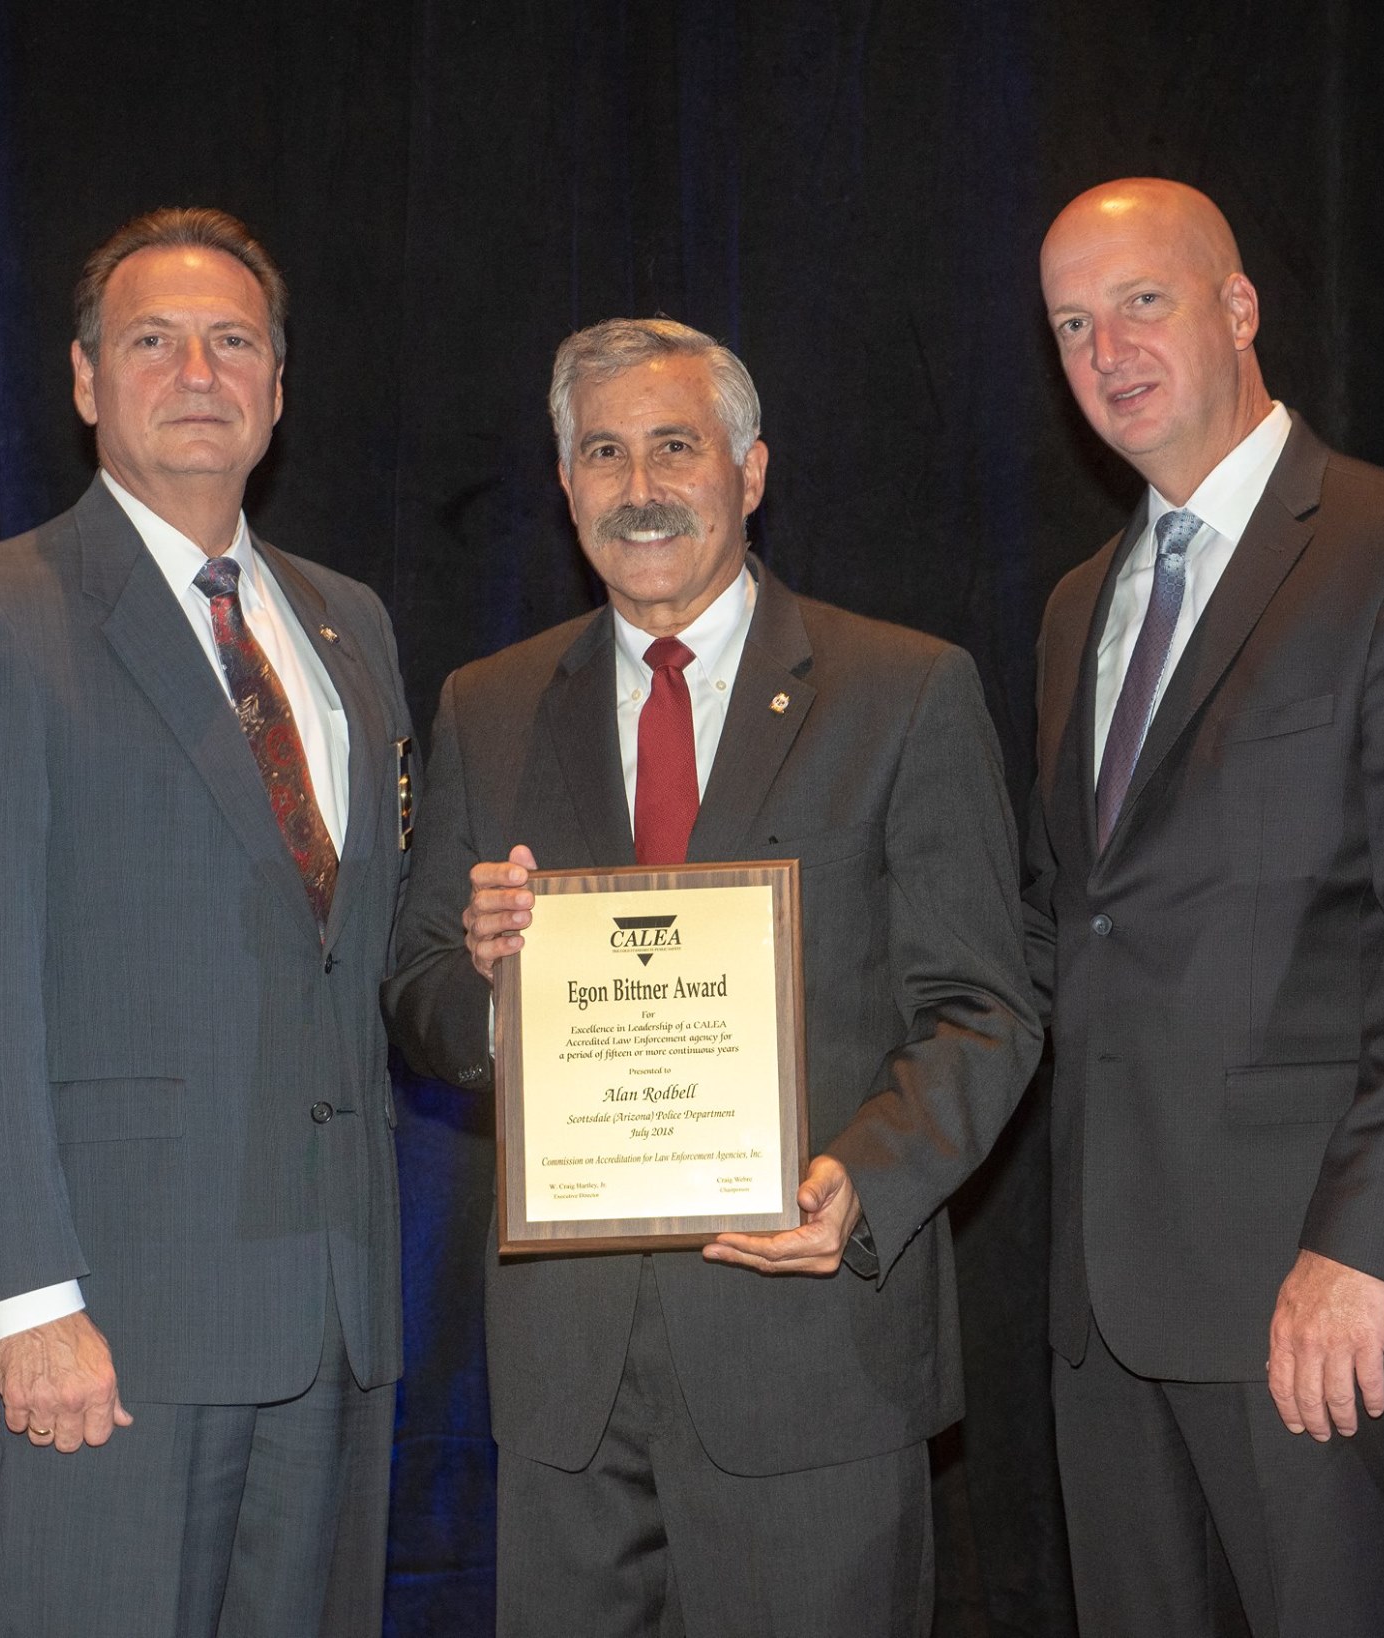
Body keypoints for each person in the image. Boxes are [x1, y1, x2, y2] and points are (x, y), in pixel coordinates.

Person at [383, 318, 1041, 1637]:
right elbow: (414, 991)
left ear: (750, 469)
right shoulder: (488, 705)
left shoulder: (904, 690)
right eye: (605, 452)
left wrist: (867, 1180)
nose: (641, 485)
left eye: (675, 446)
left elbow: (988, 1006)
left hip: (812, 1362)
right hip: (568, 1381)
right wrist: (496, 988)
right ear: (566, 488)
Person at [0, 207, 413, 1636]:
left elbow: (357, 954)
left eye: (234, 341)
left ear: (278, 392)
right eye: (151, 340)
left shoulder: (350, 628)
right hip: (110, 1328)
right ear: (83, 381)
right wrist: (25, 1299)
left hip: (335, 1320)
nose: (196, 369)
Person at [1024, 177, 1384, 1636]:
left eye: (1143, 301)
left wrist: (1365, 1249)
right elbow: (1067, 926)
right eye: (1072, 323)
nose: (1108, 349)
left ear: (1239, 309)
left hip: (1311, 1299)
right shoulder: (1080, 605)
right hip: (1105, 1311)